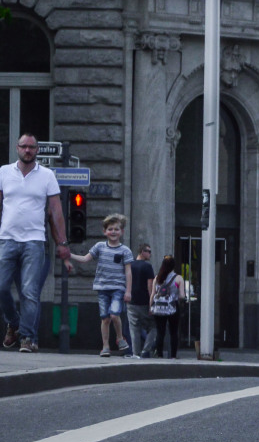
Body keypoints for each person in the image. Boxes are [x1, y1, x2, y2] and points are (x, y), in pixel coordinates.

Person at [0, 132, 73, 353]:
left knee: (29, 291)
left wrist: (62, 242)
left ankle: (28, 338)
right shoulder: (4, 172)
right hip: (7, 239)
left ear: (37, 150)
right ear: (17, 148)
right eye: (24, 146)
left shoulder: (47, 175)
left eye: (31, 147)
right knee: (1, 287)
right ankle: (13, 322)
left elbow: (55, 210)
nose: (27, 150)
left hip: (34, 241)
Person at [69, 213, 133, 357]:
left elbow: (128, 272)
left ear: (122, 232)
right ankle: (105, 346)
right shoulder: (99, 247)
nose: (113, 232)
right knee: (105, 318)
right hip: (102, 288)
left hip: (118, 288)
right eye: (110, 229)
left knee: (115, 315)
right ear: (105, 231)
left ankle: (120, 338)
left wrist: (128, 291)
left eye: (116, 229)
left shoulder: (125, 251)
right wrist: (70, 255)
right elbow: (85, 259)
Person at [150, 254, 185, 359]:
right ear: (174, 265)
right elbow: (182, 295)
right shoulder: (178, 278)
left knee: (160, 332)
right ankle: (173, 355)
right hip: (173, 307)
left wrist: (150, 307)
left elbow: (153, 293)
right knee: (174, 332)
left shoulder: (157, 278)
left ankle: (159, 354)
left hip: (158, 308)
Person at [125, 243, 156, 358]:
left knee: (134, 328)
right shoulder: (147, 267)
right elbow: (150, 286)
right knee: (154, 326)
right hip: (144, 302)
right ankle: (146, 350)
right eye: (148, 251)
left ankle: (135, 353)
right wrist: (151, 303)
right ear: (142, 252)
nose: (150, 254)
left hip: (131, 301)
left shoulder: (130, 265)